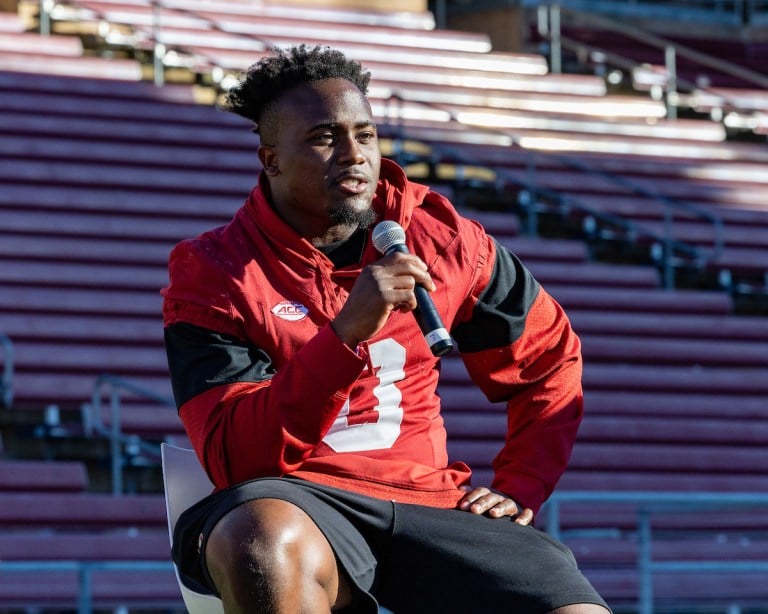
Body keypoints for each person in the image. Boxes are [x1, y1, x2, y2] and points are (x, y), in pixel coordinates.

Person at [162, 44, 610, 614]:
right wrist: (345, 335)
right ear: (270, 159)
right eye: (325, 137)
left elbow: (549, 360)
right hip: (300, 499)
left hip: (432, 503)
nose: (354, 155)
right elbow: (236, 458)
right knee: (263, 537)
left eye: (366, 135)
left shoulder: (441, 238)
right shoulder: (217, 271)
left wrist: (520, 485)